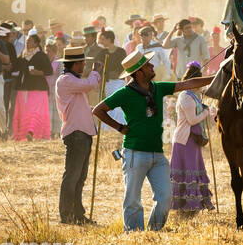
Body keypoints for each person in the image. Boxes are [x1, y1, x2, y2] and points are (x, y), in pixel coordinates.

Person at [92, 50, 216, 232]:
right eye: (148, 65)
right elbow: (98, 110)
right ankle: (135, 235)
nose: (152, 66)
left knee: (166, 197)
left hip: (158, 155)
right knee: (133, 199)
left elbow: (188, 84)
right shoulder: (125, 93)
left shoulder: (158, 88)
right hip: (134, 153)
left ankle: (153, 232)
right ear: (139, 72)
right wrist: (119, 127)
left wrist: (217, 77)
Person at [54, 44, 99, 224]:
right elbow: (91, 84)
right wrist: (96, 72)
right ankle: (67, 215)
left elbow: (78, 106)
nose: (84, 67)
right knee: (73, 175)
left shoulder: (72, 82)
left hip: (82, 132)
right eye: (82, 63)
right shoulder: (66, 80)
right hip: (76, 133)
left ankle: (77, 214)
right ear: (75, 64)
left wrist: (94, 109)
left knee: (79, 177)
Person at [169, 62, 215, 214]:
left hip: (192, 139)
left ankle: (192, 206)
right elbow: (192, 120)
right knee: (188, 170)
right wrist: (205, 112)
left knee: (193, 169)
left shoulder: (192, 95)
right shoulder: (185, 97)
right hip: (185, 139)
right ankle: (185, 206)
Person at [12, 33, 51, 141]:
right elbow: (15, 67)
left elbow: (49, 71)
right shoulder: (23, 55)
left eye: (30, 41)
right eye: (27, 41)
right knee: (27, 112)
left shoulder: (41, 55)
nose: (27, 42)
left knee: (36, 112)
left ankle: (33, 132)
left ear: (36, 43)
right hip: (26, 88)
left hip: (39, 88)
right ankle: (25, 134)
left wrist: (38, 72)